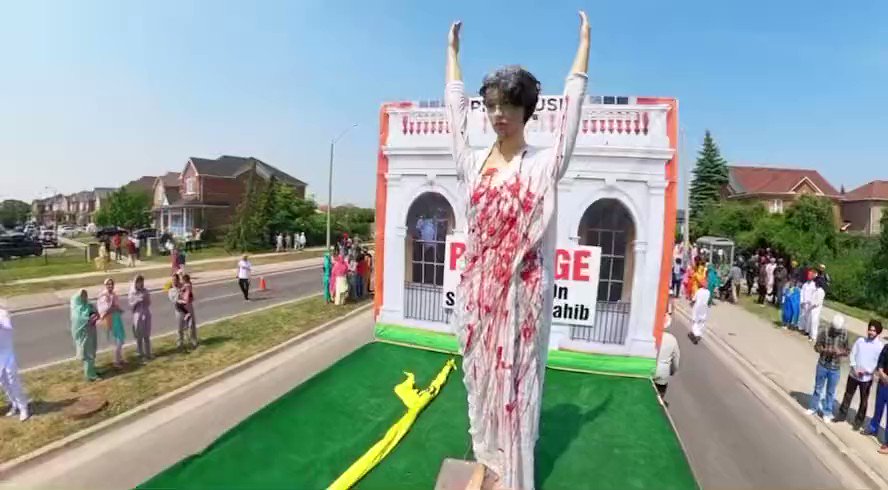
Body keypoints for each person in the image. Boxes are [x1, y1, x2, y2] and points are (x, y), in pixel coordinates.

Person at [446, 13, 590, 488]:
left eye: (508, 105)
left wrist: (582, 50)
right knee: (481, 385)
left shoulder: (541, 166)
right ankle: (488, 461)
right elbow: (453, 118)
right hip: (479, 299)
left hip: (521, 303)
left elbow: (569, 123)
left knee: (517, 387)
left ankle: (513, 476)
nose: (498, 114)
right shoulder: (473, 164)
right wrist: (452, 57)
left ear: (526, 110)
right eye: (491, 105)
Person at [836, 320, 884, 429]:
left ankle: (858, 421)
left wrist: (868, 371)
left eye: (873, 331)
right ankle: (841, 414)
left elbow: (878, 363)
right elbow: (853, 354)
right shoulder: (860, 341)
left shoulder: (879, 347)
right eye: (869, 330)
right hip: (853, 374)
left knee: (864, 400)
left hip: (866, 378)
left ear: (878, 332)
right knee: (848, 395)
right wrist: (854, 367)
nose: (870, 332)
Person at [807, 315, 850, 422]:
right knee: (818, 388)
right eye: (835, 330)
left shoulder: (845, 334)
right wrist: (825, 350)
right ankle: (813, 407)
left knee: (830, 392)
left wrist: (840, 352)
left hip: (835, 368)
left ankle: (827, 412)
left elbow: (847, 351)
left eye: (838, 331)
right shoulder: (824, 332)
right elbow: (816, 347)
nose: (836, 332)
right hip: (823, 364)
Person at [0, 307, 29, 421]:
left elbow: (8, 327)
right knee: (4, 383)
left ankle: (23, 408)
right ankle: (14, 404)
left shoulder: (3, 313)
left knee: (13, 380)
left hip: (7, 353)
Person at [862, 340, 888, 454]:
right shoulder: (887, 347)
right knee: (878, 407)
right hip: (883, 382)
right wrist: (882, 374)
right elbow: (880, 362)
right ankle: (873, 428)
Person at [70, 290, 100, 381]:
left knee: (92, 351)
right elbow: (79, 320)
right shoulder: (76, 310)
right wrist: (88, 319)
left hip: (91, 332)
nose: (84, 297)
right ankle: (90, 375)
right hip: (84, 335)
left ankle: (91, 370)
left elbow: (96, 313)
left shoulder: (88, 305)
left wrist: (95, 315)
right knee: (88, 354)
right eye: (82, 296)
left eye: (85, 295)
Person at [97, 278, 126, 368]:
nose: (110, 286)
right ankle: (116, 361)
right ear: (105, 285)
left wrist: (119, 309)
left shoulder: (114, 294)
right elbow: (104, 310)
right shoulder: (103, 296)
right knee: (117, 340)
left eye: (111, 284)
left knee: (121, 338)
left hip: (117, 318)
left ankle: (120, 358)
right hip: (110, 319)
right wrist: (112, 307)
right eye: (108, 284)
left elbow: (116, 306)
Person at [654, 306, 680, 404]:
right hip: (662, 373)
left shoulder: (650, 336)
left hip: (648, 369)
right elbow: (676, 361)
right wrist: (672, 371)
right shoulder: (672, 339)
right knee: (659, 396)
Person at [128, 275, 152, 361]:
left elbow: (149, 303)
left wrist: (146, 298)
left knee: (147, 335)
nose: (140, 284)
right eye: (138, 282)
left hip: (146, 314)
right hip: (137, 315)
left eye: (142, 282)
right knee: (139, 336)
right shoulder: (132, 292)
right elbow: (131, 306)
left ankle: (148, 353)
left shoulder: (145, 291)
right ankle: (140, 353)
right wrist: (137, 300)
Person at [178, 274, 198, 349]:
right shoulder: (187, 286)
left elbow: (185, 295)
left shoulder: (187, 286)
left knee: (189, 324)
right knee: (189, 324)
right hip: (187, 306)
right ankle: (191, 340)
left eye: (183, 280)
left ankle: (192, 341)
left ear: (184, 280)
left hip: (186, 306)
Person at [799, 271, 818, 339]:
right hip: (804, 302)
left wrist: (811, 302)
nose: (809, 278)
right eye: (808, 277)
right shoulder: (805, 284)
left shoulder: (814, 285)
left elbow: (814, 295)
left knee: (808, 317)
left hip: (810, 304)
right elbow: (802, 293)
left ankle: (807, 331)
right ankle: (802, 328)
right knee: (803, 315)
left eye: (810, 277)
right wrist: (801, 301)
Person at [809, 276, 827, 344]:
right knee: (812, 321)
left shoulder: (821, 291)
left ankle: (814, 337)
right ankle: (811, 335)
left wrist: (813, 304)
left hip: (816, 308)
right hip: (812, 308)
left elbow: (818, 302)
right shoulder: (815, 290)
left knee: (814, 322)